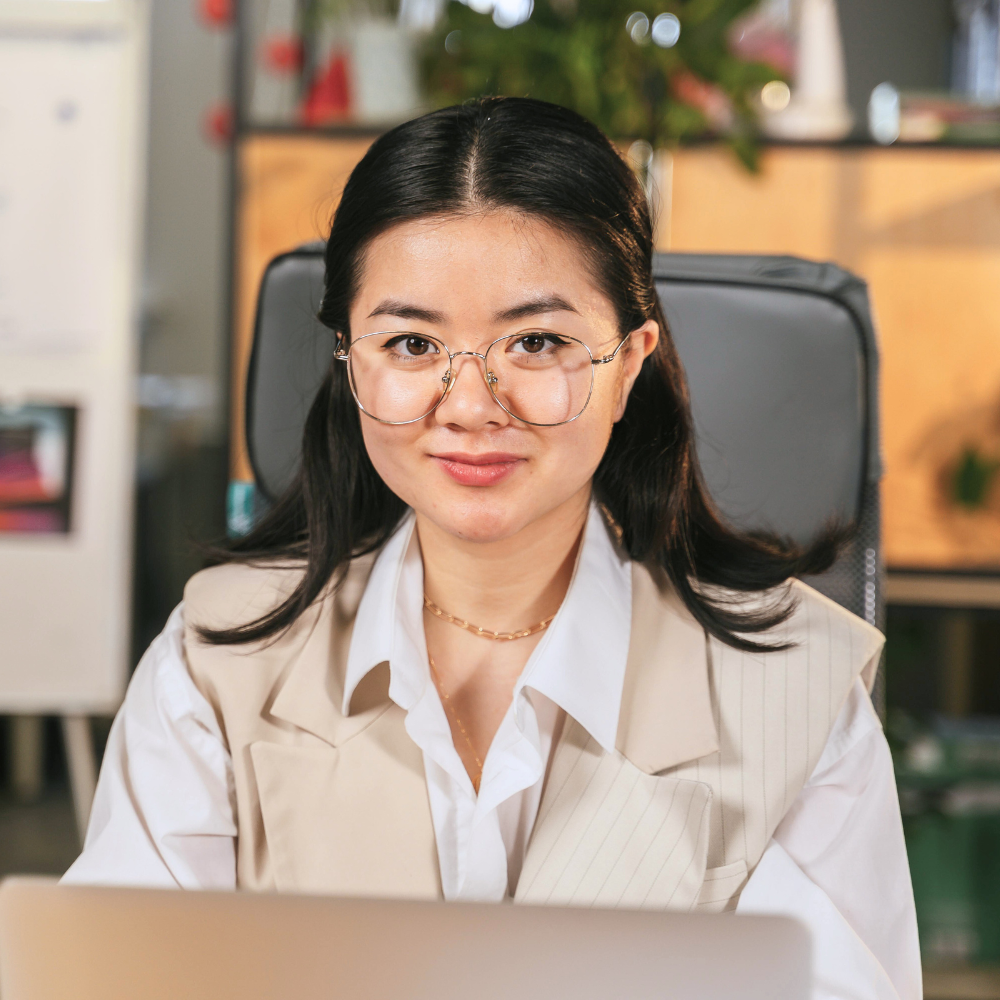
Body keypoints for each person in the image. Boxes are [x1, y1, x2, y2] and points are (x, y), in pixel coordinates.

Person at [65, 97, 919, 999]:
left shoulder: (794, 693)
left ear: (629, 362)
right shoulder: (214, 666)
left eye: (537, 341)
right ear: (350, 365)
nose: (470, 405)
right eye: (412, 342)